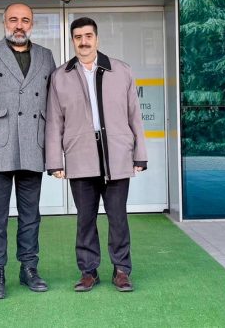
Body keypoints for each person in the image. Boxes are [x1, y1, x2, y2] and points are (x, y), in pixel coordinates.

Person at [45, 17, 148, 293]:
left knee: (118, 218)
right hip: (80, 157)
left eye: (88, 36)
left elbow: (134, 115)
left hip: (117, 156)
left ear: (97, 38)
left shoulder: (121, 71)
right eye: (78, 37)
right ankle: (88, 271)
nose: (84, 41)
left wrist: (140, 154)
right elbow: (54, 121)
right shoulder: (60, 76)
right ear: (72, 41)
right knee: (85, 219)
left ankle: (122, 270)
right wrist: (54, 161)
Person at [0, 3, 57, 300]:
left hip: (33, 144)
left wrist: (55, 148)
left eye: (25, 20)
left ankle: (29, 268)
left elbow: (54, 103)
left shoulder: (45, 56)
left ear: (32, 24)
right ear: (4, 21)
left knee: (31, 216)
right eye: (14, 19)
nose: (19, 25)